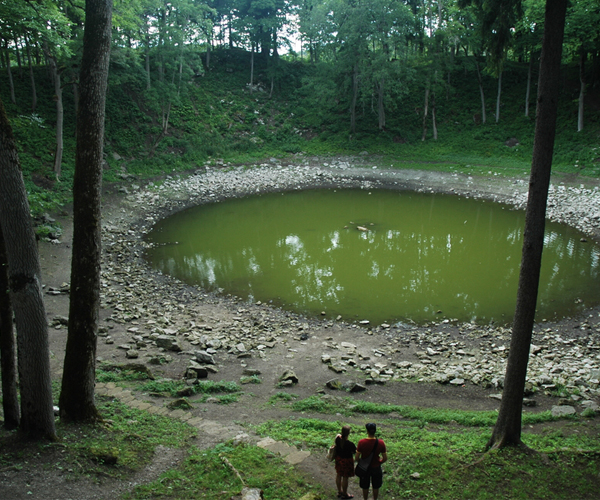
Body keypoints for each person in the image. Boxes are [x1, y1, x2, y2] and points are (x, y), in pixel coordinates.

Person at [355, 422, 387, 500]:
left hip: (365, 468)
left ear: (367, 431)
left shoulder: (361, 442)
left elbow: (356, 458)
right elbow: (385, 458)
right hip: (376, 467)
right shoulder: (381, 442)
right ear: (375, 431)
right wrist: (379, 462)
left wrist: (361, 462)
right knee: (376, 486)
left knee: (365, 486)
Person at [334, 425, 356, 499]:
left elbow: (338, 436)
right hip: (347, 461)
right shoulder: (350, 444)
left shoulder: (338, 439)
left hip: (339, 459)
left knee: (338, 475)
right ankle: (344, 493)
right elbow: (354, 451)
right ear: (349, 433)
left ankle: (339, 492)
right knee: (345, 477)